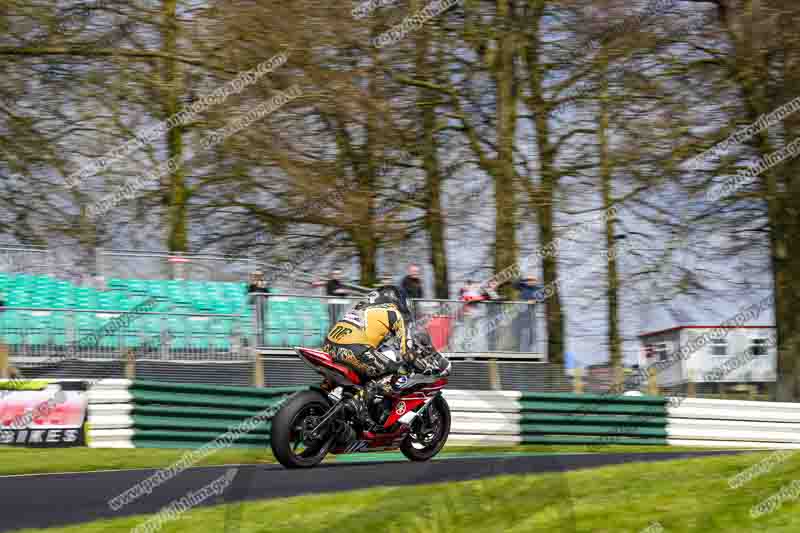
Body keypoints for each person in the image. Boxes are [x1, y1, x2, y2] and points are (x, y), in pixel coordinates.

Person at [322, 285, 450, 430]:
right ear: (398, 300)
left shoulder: (360, 308)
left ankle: (331, 397)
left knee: (369, 370)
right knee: (399, 371)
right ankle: (357, 404)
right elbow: (407, 353)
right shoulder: (394, 314)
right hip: (354, 350)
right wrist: (423, 366)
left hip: (328, 347)